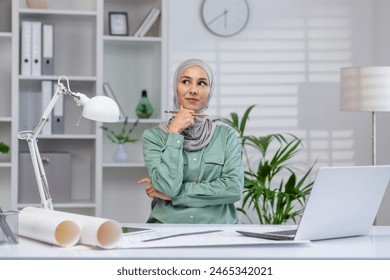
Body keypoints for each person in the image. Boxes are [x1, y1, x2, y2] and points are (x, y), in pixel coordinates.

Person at [138, 58, 244, 224]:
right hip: (166, 229)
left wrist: (177, 196)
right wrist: (174, 132)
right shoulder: (153, 137)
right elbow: (168, 187)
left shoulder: (226, 136)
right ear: (176, 87)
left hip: (219, 232)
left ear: (210, 90)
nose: (193, 90)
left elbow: (234, 189)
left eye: (202, 83)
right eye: (186, 81)